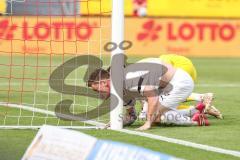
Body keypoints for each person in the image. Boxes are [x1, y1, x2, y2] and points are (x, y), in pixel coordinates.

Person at [87, 57, 210, 130]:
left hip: (179, 82)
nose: (98, 94)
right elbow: (131, 116)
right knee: (155, 114)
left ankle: (196, 120)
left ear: (103, 83)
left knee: (155, 117)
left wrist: (147, 123)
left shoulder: (128, 79)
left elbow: (153, 98)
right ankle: (196, 110)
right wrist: (117, 122)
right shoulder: (120, 89)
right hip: (166, 87)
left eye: (96, 90)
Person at [139, 54, 223, 120]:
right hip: (186, 68)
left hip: (182, 68)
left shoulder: (159, 62)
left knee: (167, 98)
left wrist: (144, 110)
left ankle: (202, 97)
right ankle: (202, 109)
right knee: (170, 103)